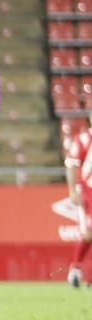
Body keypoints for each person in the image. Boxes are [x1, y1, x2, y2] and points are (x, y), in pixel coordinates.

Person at [65, 113, 92, 288]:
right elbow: (72, 165)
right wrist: (73, 190)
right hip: (88, 193)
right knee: (89, 232)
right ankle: (75, 267)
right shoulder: (83, 139)